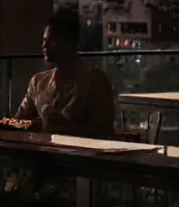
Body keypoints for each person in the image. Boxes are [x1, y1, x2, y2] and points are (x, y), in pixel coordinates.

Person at [15, 8, 116, 138]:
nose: (44, 46)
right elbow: (19, 121)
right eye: (44, 40)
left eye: (52, 41)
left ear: (70, 42)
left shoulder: (96, 81)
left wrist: (62, 127)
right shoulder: (38, 82)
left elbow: (103, 130)